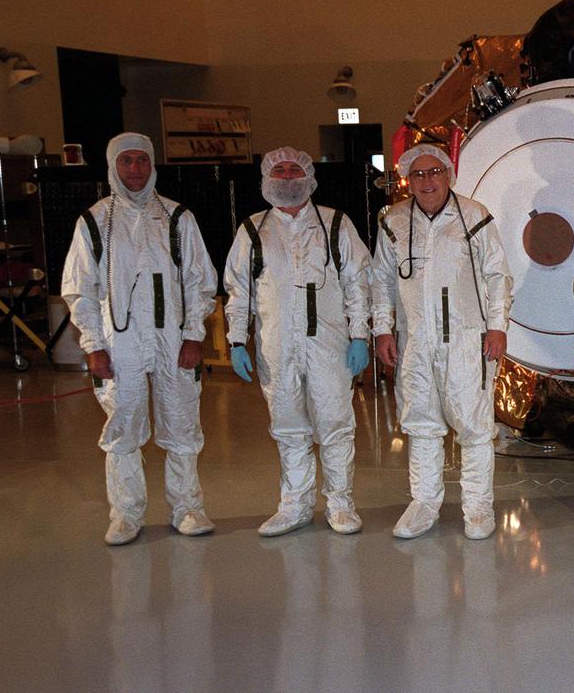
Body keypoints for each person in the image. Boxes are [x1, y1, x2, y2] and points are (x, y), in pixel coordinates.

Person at [62, 132, 218, 545]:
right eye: (126, 161)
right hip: (120, 344)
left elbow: (199, 282)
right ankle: (126, 514)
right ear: (113, 166)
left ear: (153, 165)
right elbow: (80, 288)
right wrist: (93, 345)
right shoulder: (95, 221)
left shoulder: (177, 216)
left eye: (142, 160)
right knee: (124, 426)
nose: (135, 169)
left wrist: (192, 336)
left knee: (182, 422)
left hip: (173, 341)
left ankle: (187, 507)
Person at [223, 146, 371, 536]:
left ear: (308, 176)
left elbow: (358, 282)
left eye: (293, 170)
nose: (287, 177)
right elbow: (239, 291)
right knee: (288, 426)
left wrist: (360, 335)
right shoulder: (253, 230)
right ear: (267, 179)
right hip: (276, 345)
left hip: (330, 346)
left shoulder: (336, 224)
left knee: (336, 424)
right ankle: (295, 505)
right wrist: (237, 341)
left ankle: (340, 504)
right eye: (279, 171)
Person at [372, 144, 512, 540]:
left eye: (434, 172)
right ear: (407, 180)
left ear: (448, 174)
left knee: (474, 426)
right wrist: (383, 328)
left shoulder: (474, 216)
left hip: (468, 340)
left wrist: (498, 325)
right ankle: (424, 503)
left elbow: (498, 275)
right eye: (418, 175)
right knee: (421, 425)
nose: (427, 181)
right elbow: (381, 282)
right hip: (414, 341)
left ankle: (478, 508)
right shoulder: (394, 221)